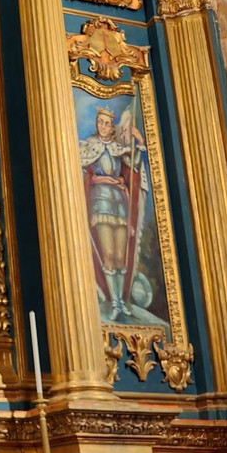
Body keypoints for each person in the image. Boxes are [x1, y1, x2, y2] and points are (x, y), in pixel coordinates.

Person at [79, 105, 147, 321]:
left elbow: (133, 167)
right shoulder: (90, 146)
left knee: (120, 257)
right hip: (101, 202)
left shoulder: (119, 148)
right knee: (108, 254)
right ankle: (115, 302)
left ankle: (121, 301)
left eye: (107, 124)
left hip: (119, 204)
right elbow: (85, 174)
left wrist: (140, 143)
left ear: (112, 128)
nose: (103, 126)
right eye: (100, 122)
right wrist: (104, 179)